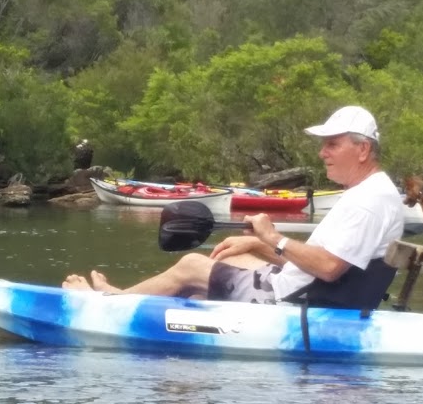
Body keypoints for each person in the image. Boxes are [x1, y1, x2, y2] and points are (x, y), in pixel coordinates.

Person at [62, 106, 404, 308]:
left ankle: (111, 304)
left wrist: (274, 238)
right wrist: (259, 245)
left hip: (293, 302)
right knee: (228, 256)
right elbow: (322, 264)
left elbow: (329, 268)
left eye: (332, 144)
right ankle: (154, 307)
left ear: (362, 150)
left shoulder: (368, 202)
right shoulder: (373, 192)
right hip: (308, 289)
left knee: (191, 265)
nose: (322, 152)